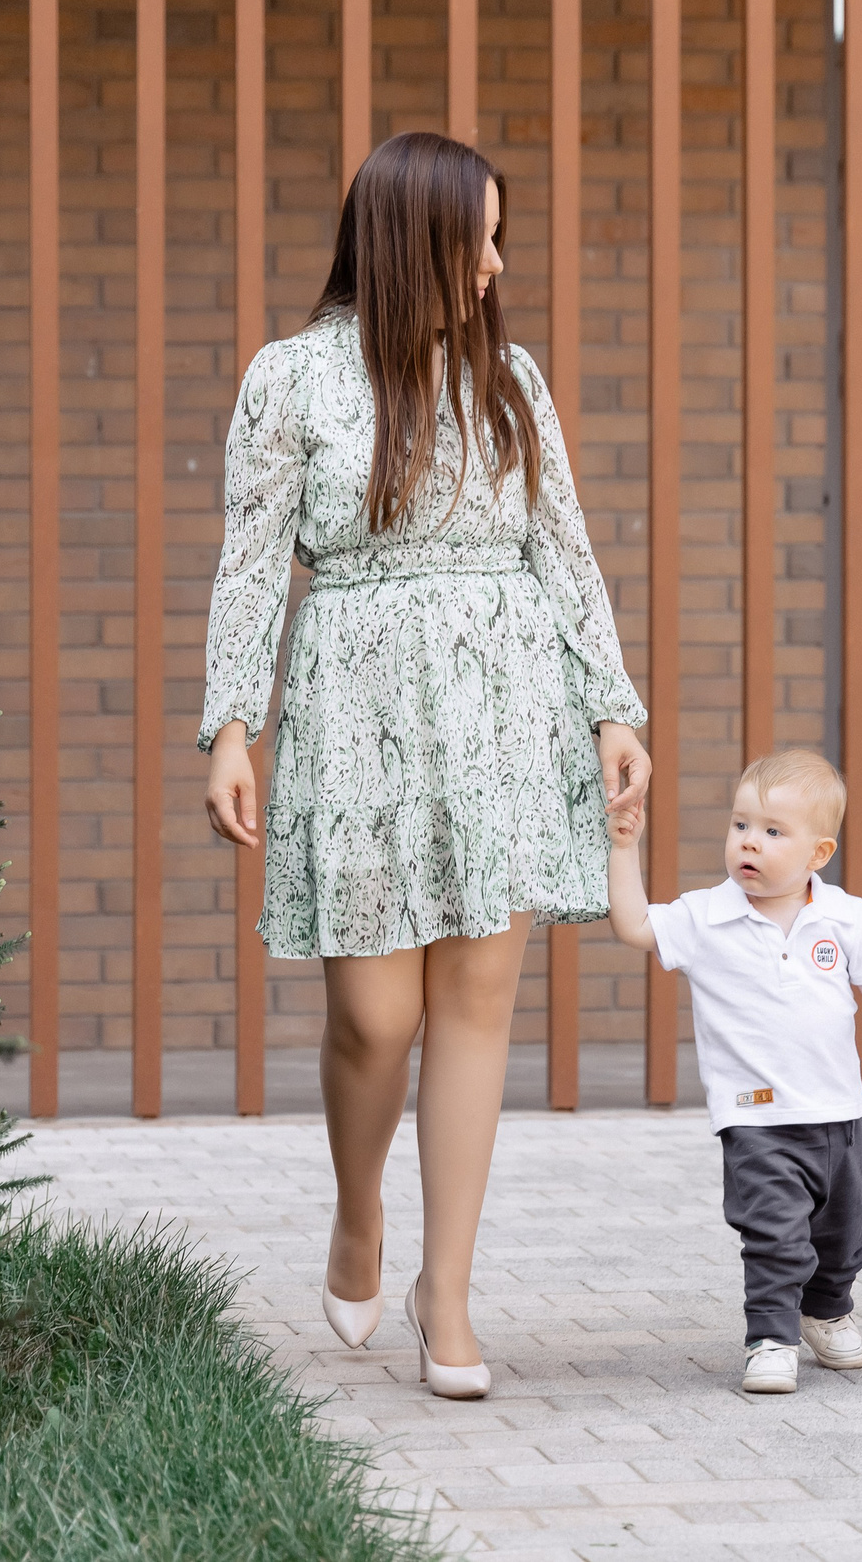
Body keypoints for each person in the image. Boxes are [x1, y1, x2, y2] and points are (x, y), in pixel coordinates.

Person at [199, 131, 649, 1401]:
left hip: (507, 701)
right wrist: (231, 721)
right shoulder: (290, 380)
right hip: (354, 704)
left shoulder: (510, 378)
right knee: (373, 1014)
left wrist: (612, 707)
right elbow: (250, 560)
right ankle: (358, 1213)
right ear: (407, 245)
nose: (497, 265)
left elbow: (563, 549)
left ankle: (445, 1292)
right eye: (477, 241)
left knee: (476, 1004)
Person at [604, 750, 862, 1395]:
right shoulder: (706, 917)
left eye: (773, 832)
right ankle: (771, 1336)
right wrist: (624, 850)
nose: (750, 842)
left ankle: (826, 1308)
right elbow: (636, 925)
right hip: (756, 1118)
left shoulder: (845, 916)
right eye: (741, 825)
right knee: (775, 1233)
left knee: (845, 1234)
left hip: (839, 1116)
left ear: (819, 852)